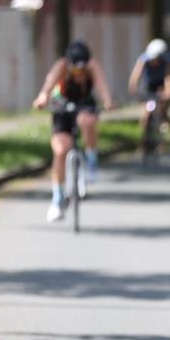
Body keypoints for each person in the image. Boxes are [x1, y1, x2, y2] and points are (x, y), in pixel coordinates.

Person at [33, 40, 114, 222]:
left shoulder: (93, 66)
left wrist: (108, 101)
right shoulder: (61, 66)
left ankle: (91, 159)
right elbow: (48, 85)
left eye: (82, 71)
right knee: (61, 150)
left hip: (84, 103)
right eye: (75, 71)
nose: (79, 75)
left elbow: (102, 86)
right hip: (62, 104)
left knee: (88, 121)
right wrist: (42, 97)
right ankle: (57, 198)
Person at [128, 38, 170, 137]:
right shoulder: (144, 59)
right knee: (147, 109)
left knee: (163, 100)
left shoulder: (166, 60)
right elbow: (136, 75)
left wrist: (169, 92)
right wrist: (133, 88)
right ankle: (143, 134)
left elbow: (169, 77)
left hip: (161, 84)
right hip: (149, 85)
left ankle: (164, 119)